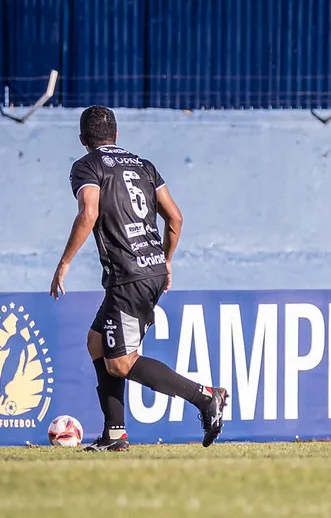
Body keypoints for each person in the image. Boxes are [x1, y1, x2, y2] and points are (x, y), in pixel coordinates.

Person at [49, 105, 228, 451]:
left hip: (128, 274)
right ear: (116, 135)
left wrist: (64, 263)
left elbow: (89, 212)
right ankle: (114, 436)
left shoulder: (87, 165)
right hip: (150, 269)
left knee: (120, 362)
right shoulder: (144, 165)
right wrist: (166, 259)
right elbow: (175, 218)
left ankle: (206, 398)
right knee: (97, 342)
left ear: (83, 139)